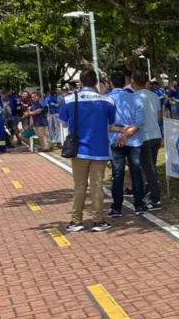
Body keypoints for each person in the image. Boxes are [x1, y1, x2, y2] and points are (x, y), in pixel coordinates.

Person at [59, 69, 120, 232]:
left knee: (79, 186)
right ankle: (98, 221)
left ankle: (76, 221)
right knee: (97, 186)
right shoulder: (108, 101)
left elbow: (63, 124)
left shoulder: (69, 99)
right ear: (96, 83)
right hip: (100, 150)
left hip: (78, 150)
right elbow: (110, 124)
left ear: (80, 83)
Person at [107, 72, 146, 218]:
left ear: (111, 83)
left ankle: (117, 207)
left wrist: (121, 132)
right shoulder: (135, 97)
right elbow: (139, 122)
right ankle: (139, 204)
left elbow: (106, 124)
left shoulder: (106, 100)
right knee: (136, 172)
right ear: (125, 82)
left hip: (115, 140)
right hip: (134, 140)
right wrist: (127, 132)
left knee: (117, 174)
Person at [132, 71, 163, 211]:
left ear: (133, 82)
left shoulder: (134, 97)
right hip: (156, 134)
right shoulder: (154, 95)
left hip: (144, 136)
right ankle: (150, 190)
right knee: (151, 167)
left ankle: (155, 198)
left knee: (148, 168)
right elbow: (159, 116)